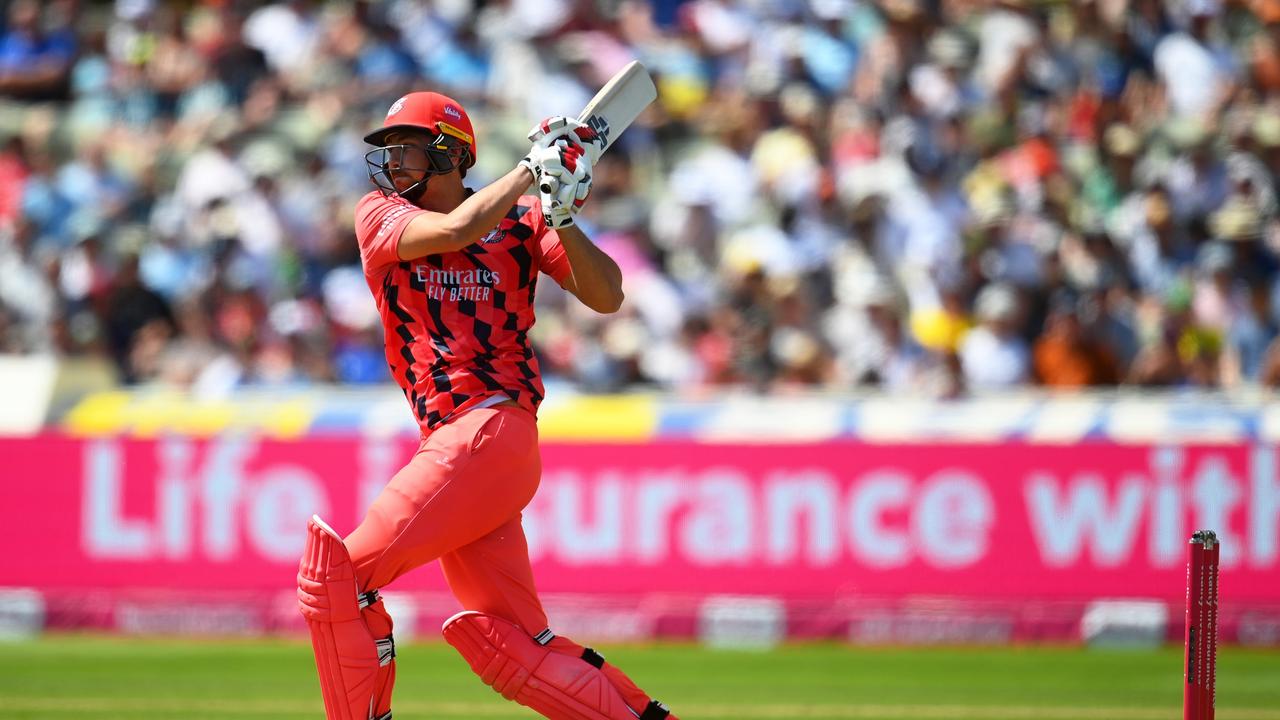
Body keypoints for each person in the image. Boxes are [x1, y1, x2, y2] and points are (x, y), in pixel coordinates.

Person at [295, 91, 677, 720]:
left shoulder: (525, 221)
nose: (393, 165)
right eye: (389, 153)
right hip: (465, 445)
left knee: (335, 577)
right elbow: (457, 228)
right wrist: (530, 170)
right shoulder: (379, 215)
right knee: (514, 644)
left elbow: (608, 295)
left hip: (487, 430)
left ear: (450, 153)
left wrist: (560, 216)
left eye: (408, 150)